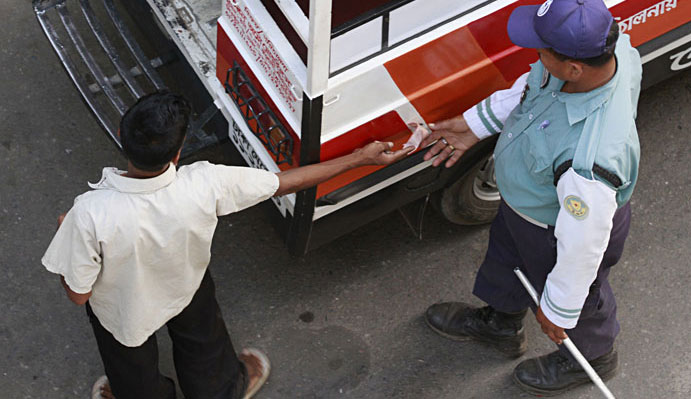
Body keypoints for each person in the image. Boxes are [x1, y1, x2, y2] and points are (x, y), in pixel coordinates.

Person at [42, 91, 413, 399]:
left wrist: (67, 236)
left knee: (131, 371)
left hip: (123, 310)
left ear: (121, 132)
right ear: (177, 152)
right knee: (203, 342)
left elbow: (79, 294)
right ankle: (222, 391)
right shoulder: (206, 182)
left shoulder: (88, 214)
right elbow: (284, 183)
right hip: (186, 285)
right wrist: (360, 158)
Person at [420, 0, 641, 395]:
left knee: (579, 300)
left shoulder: (588, 161)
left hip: (559, 233)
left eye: (541, 50)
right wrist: (473, 125)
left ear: (574, 68)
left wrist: (559, 310)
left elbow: (582, 247)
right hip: (527, 209)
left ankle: (591, 357)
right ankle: (501, 325)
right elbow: (532, 90)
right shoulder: (611, 52)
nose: (534, 55)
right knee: (506, 261)